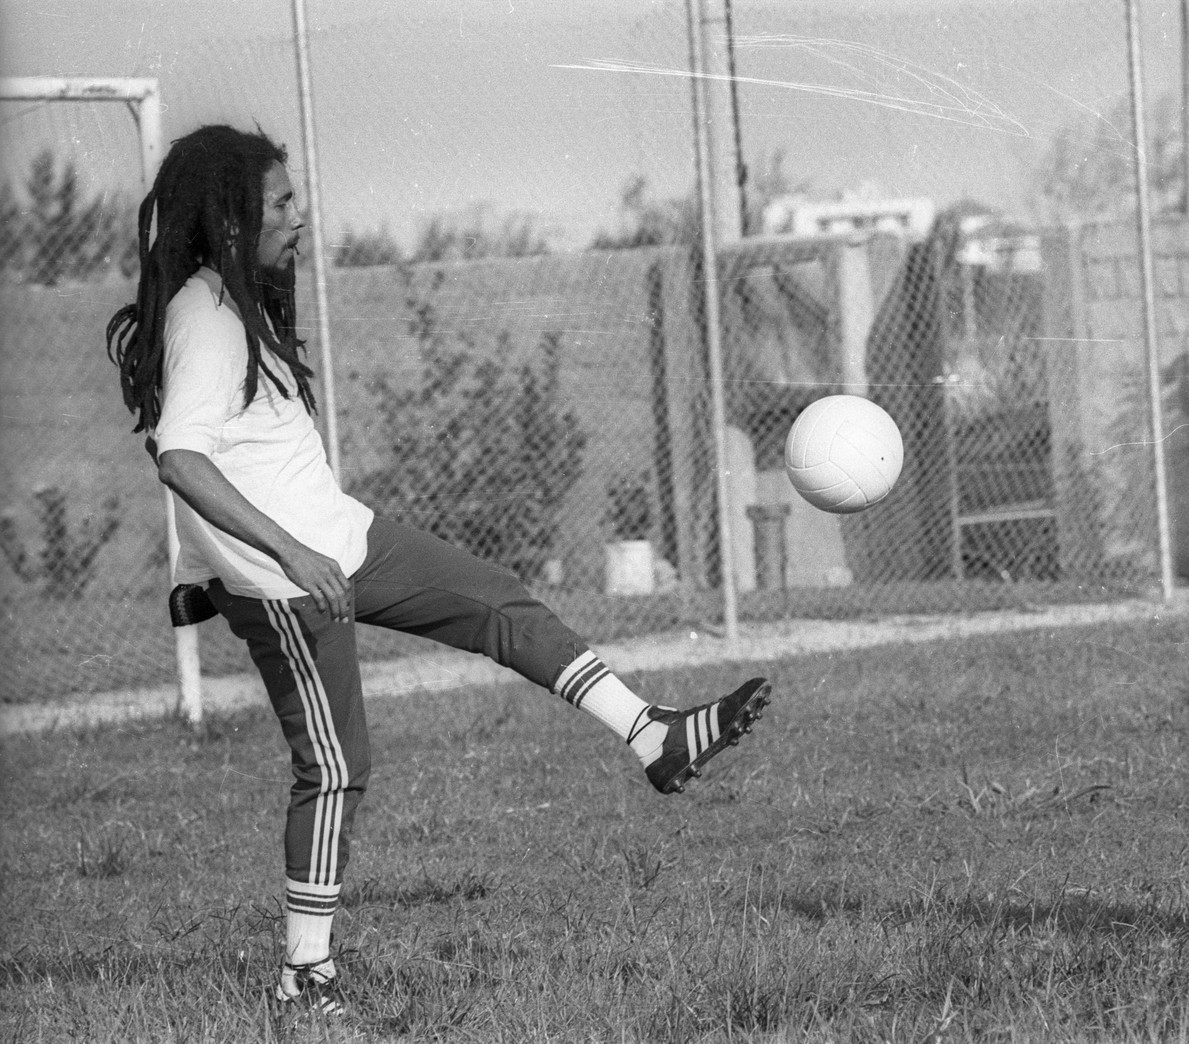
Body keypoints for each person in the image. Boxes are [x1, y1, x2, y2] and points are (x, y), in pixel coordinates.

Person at [105, 124, 773, 1016]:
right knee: (337, 767)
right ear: (233, 218)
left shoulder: (238, 302)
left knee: (499, 601)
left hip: (342, 540)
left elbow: (229, 449)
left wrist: (232, 560)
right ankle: (305, 979)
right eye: (285, 204)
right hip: (294, 580)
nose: (302, 217)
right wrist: (278, 560)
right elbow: (181, 458)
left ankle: (653, 736)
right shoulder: (209, 318)